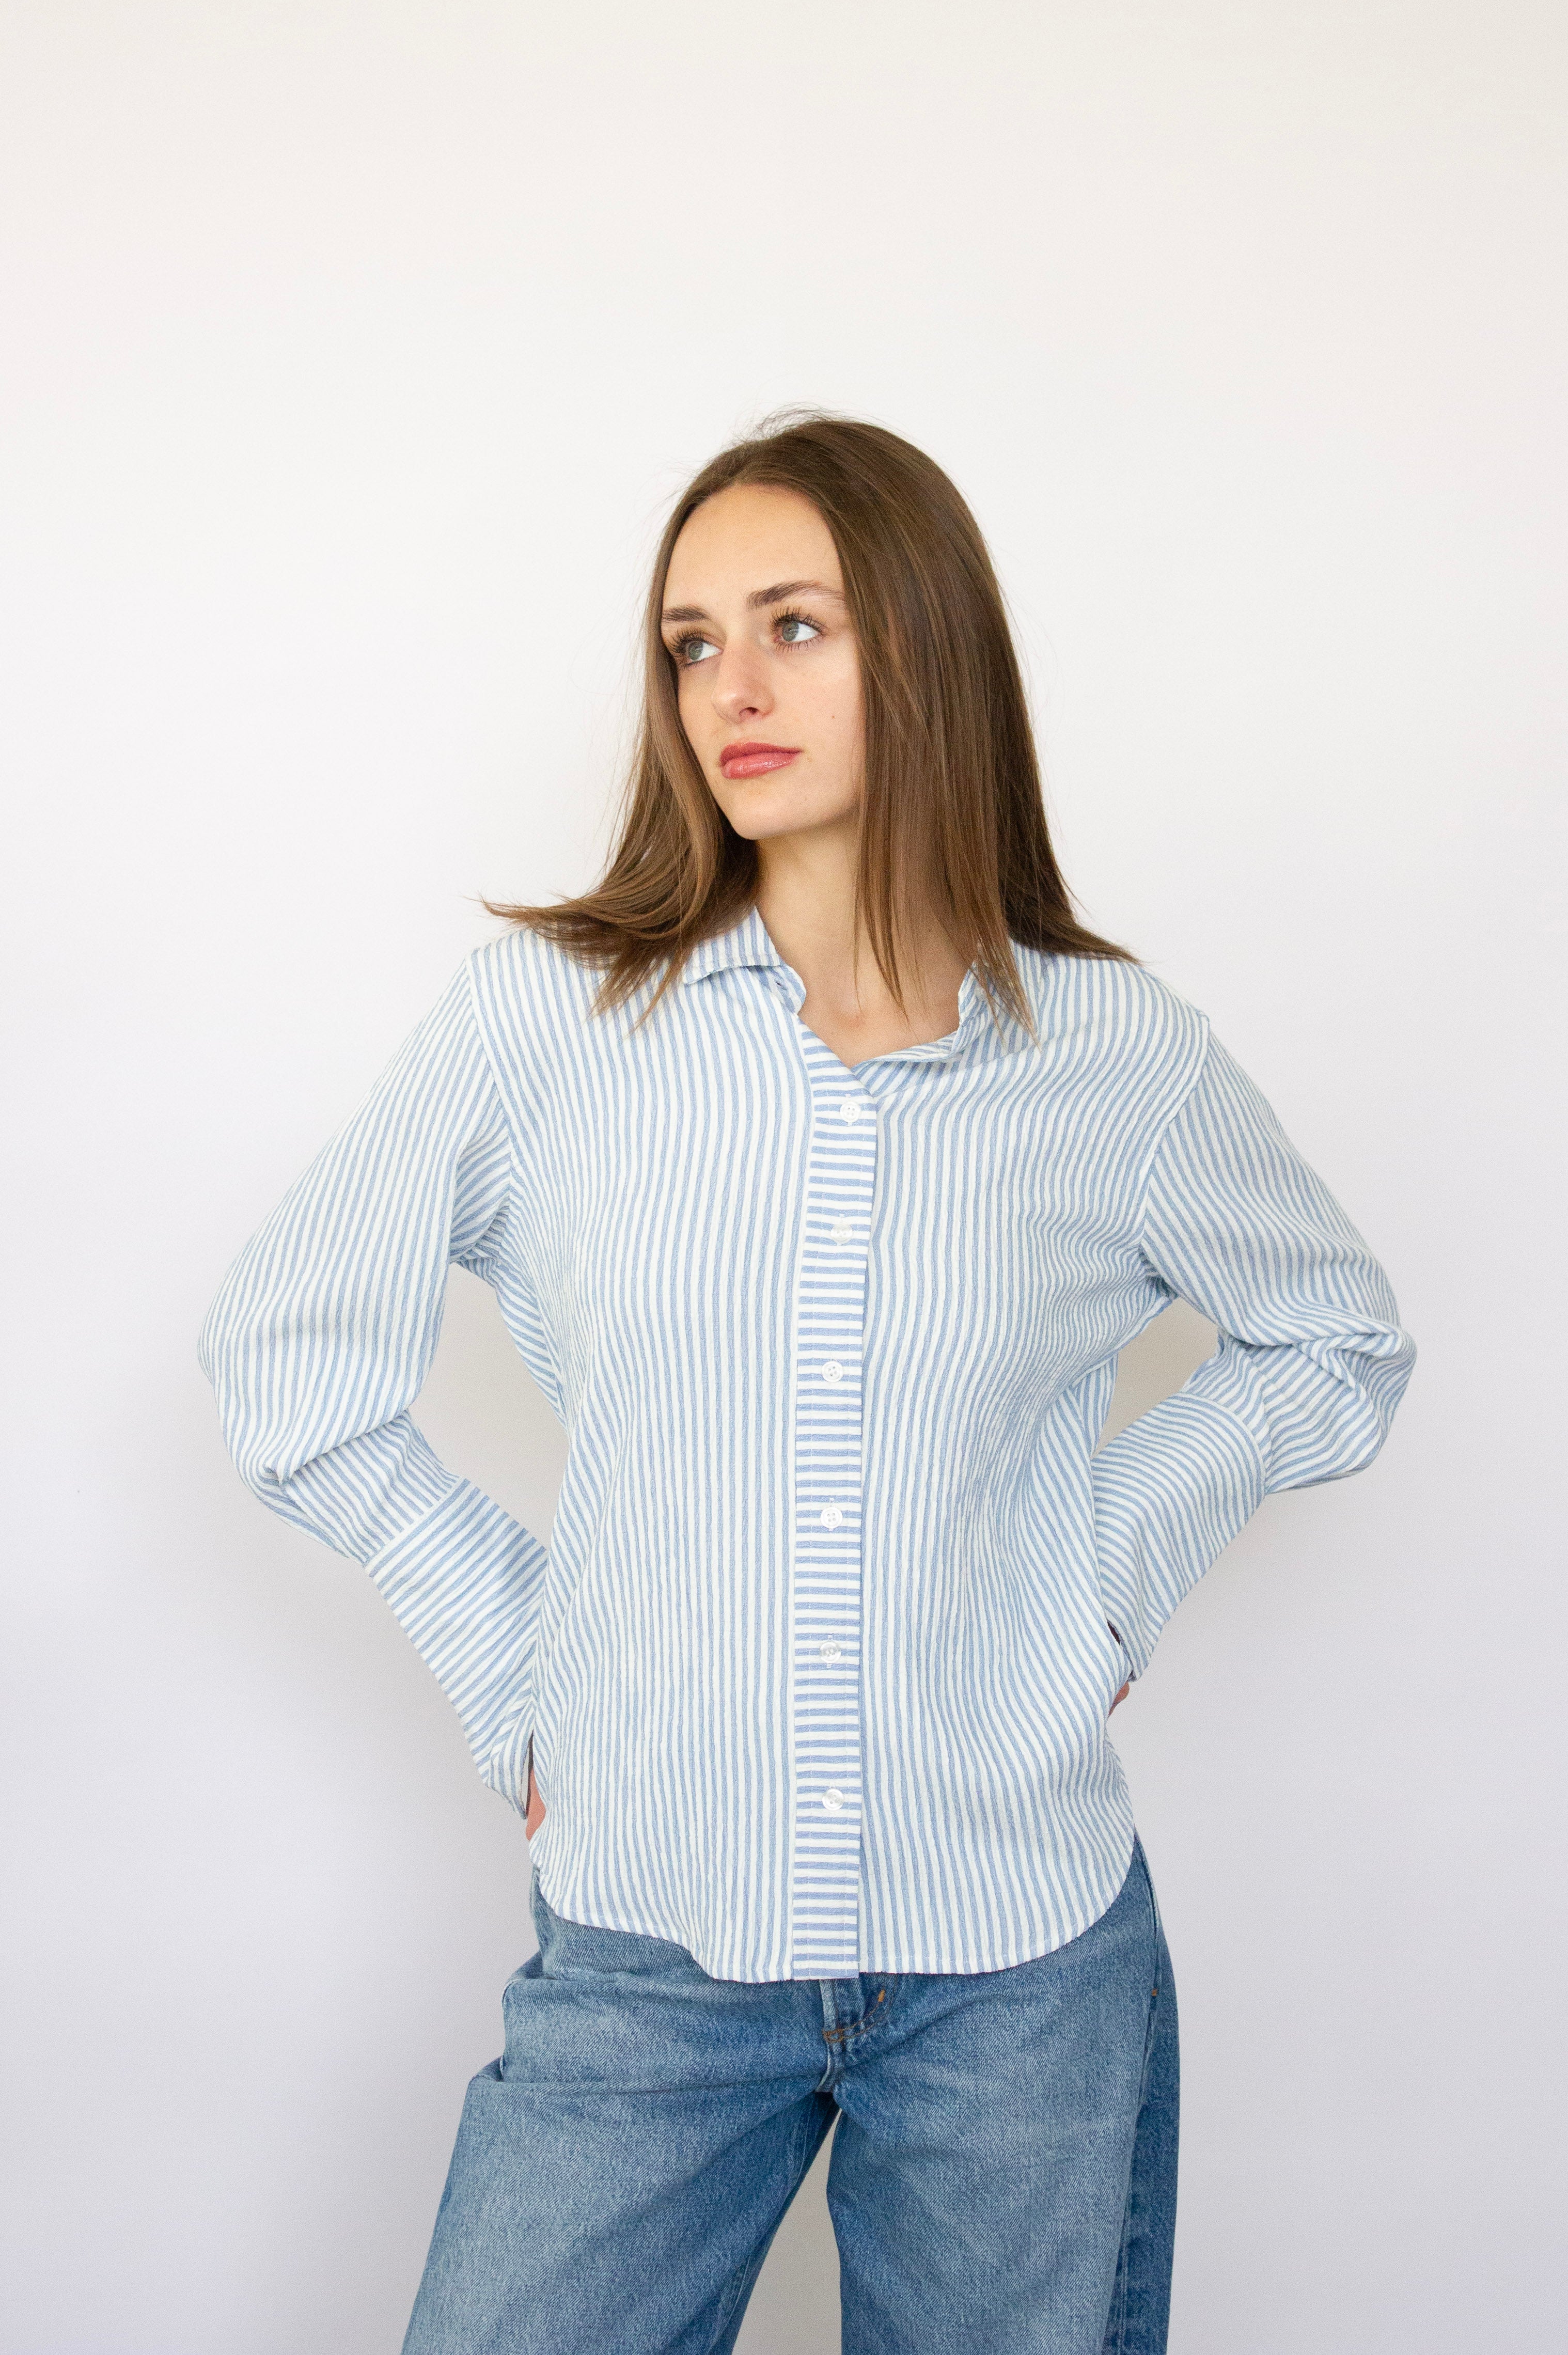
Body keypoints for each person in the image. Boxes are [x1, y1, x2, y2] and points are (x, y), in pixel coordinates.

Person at [200, 413, 1415, 2355]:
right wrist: (523, 1659)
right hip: (651, 1947)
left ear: (926, 648)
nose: (729, 690)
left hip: (1020, 1960)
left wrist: (1101, 1570)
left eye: (794, 625)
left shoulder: (1113, 1053)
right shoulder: (551, 1024)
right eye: (691, 642)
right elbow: (287, 1358)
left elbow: (1337, 1337)